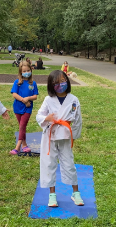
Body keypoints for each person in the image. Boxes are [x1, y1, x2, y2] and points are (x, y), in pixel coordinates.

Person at [36, 70, 83, 207]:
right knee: (49, 163)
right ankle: (52, 195)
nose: (60, 84)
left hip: (65, 136)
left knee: (69, 163)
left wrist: (74, 135)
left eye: (62, 81)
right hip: (50, 135)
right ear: (51, 85)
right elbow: (39, 115)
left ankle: (75, 192)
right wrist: (46, 118)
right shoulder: (48, 100)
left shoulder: (73, 99)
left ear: (67, 82)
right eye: (56, 82)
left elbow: (78, 120)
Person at [10, 61, 39, 155]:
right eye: (24, 71)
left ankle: (17, 147)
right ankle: (24, 145)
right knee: (22, 127)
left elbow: (35, 96)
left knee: (22, 125)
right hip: (18, 107)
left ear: (31, 70)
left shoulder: (33, 83)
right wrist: (24, 100)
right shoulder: (17, 82)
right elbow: (14, 94)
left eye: (28, 70)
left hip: (28, 108)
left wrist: (28, 99)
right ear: (20, 72)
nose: (26, 72)